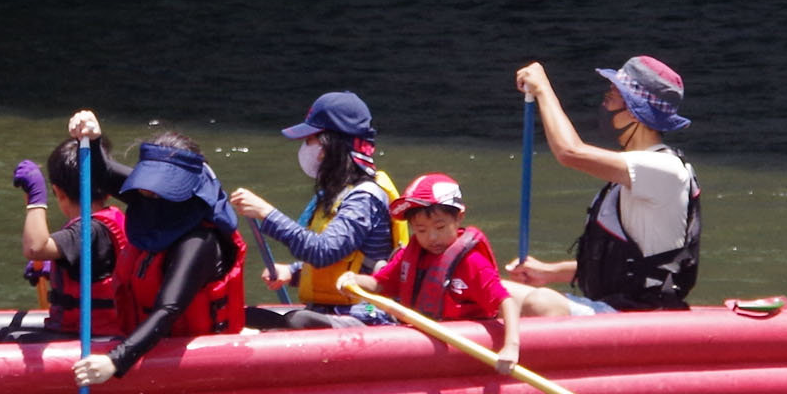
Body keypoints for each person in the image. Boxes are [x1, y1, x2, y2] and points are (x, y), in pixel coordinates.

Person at [508, 56, 701, 313]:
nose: (604, 103)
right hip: (612, 308)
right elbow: (627, 266)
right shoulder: (634, 174)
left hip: (639, 315)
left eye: (612, 96)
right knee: (497, 291)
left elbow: (570, 152)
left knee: (539, 302)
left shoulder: (665, 170)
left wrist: (543, 89)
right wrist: (548, 272)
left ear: (635, 111)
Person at [66, 113, 246, 387]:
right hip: (147, 340)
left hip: (197, 363)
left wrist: (115, 361)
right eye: (146, 191)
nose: (147, 198)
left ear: (183, 191)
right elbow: (102, 173)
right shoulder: (151, 197)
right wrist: (91, 138)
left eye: (159, 192)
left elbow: (168, 308)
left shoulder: (199, 242)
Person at [228, 91, 403, 330]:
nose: (305, 146)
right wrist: (292, 272)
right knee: (242, 316)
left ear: (330, 145)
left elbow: (324, 252)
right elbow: (338, 260)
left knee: (298, 320)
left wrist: (266, 213)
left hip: (364, 315)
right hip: (327, 311)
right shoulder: (337, 193)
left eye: (310, 139)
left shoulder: (364, 197)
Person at [366, 172, 565, 370]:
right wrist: (353, 280)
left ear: (459, 217)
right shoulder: (412, 254)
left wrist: (511, 346)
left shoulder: (472, 263)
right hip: (427, 341)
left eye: (440, 227)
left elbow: (506, 301)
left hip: (466, 344)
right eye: (421, 230)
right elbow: (379, 283)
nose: (432, 237)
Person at [16, 134, 124, 339]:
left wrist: (36, 199)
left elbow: (35, 248)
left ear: (59, 192)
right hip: (105, 329)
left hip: (89, 337)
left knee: (8, 339)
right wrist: (55, 264)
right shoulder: (105, 224)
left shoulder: (89, 229)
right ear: (108, 192)